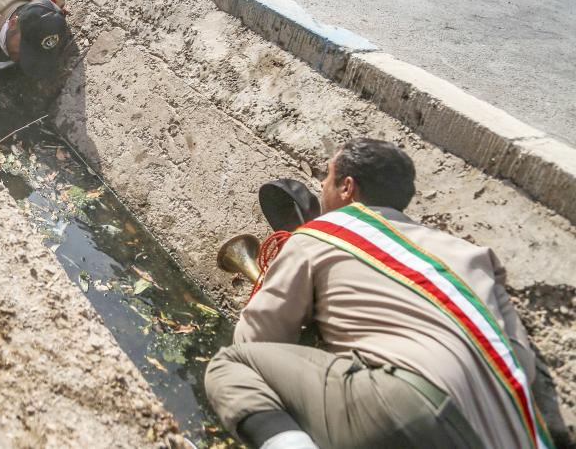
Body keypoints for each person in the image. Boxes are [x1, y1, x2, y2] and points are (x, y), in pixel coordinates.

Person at [205, 138, 553, 449]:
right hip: (513, 432)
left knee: (231, 365)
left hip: (405, 405)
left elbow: (255, 343)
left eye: (325, 179)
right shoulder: (473, 255)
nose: (322, 187)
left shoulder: (323, 232)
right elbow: (524, 364)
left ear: (347, 188)